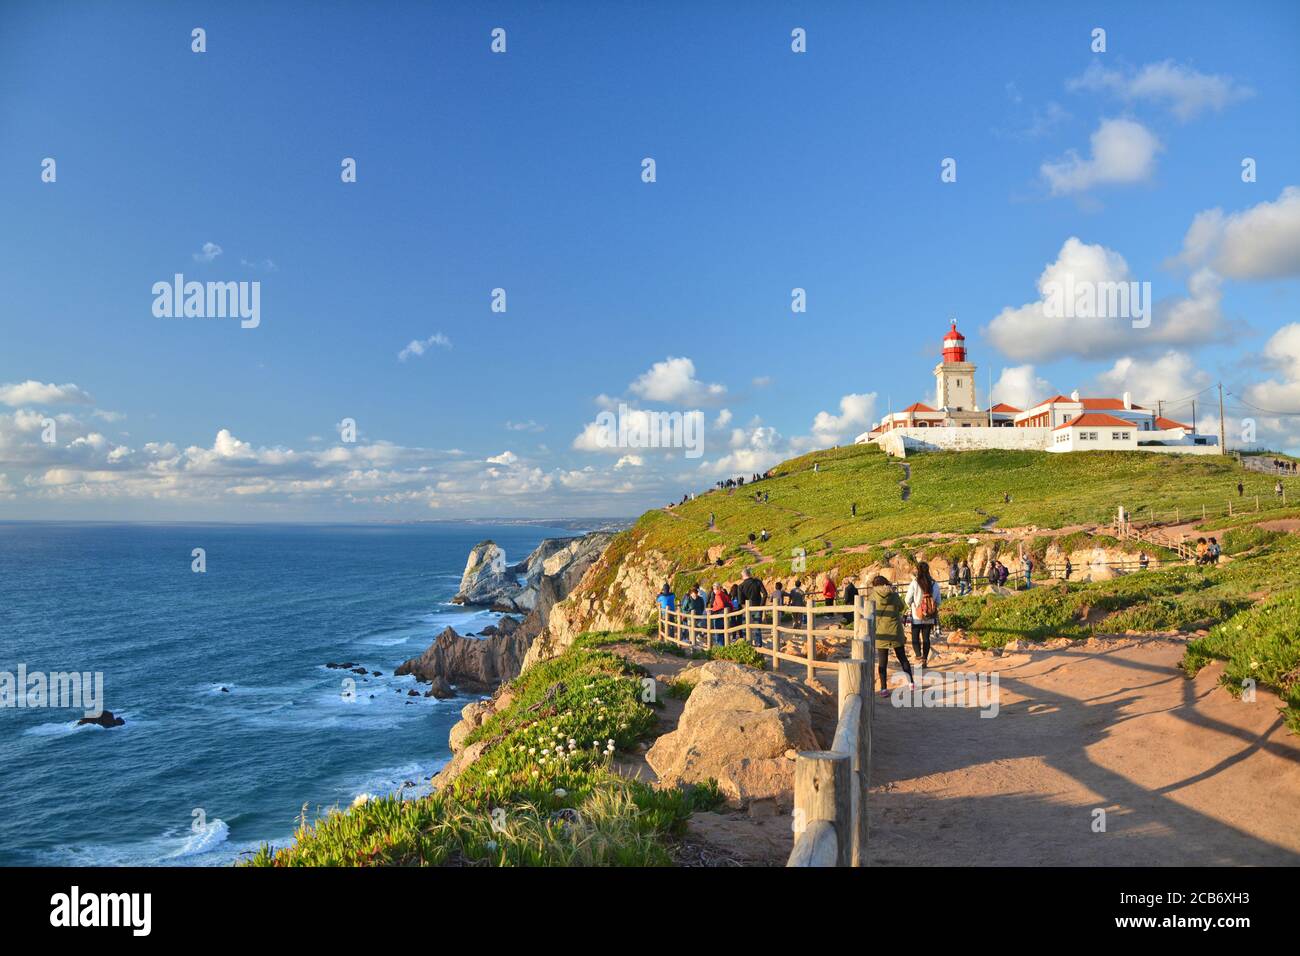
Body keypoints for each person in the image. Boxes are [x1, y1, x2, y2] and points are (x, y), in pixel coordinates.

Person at [866, 575, 914, 695]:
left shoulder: (872, 596)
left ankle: (883, 688)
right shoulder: (893, 594)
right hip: (895, 630)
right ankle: (911, 683)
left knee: (883, 662)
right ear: (886, 583)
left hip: (881, 632)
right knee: (902, 657)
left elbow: (867, 612)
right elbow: (902, 607)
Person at [906, 561, 941, 668]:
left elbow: (907, 599)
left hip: (917, 615)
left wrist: (911, 606)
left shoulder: (915, 582)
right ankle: (925, 659)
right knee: (926, 638)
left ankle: (918, 656)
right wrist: (931, 606)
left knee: (915, 637)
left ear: (918, 570)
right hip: (929, 615)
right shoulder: (934, 583)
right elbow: (938, 600)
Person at [737, 567, 768, 645]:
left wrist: (745, 608)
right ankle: (758, 644)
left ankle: (747, 644)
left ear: (743, 575)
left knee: (745, 628)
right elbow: (765, 594)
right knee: (757, 627)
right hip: (757, 607)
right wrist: (761, 606)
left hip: (746, 609)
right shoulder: (757, 582)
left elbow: (740, 601)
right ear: (750, 574)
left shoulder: (741, 586)